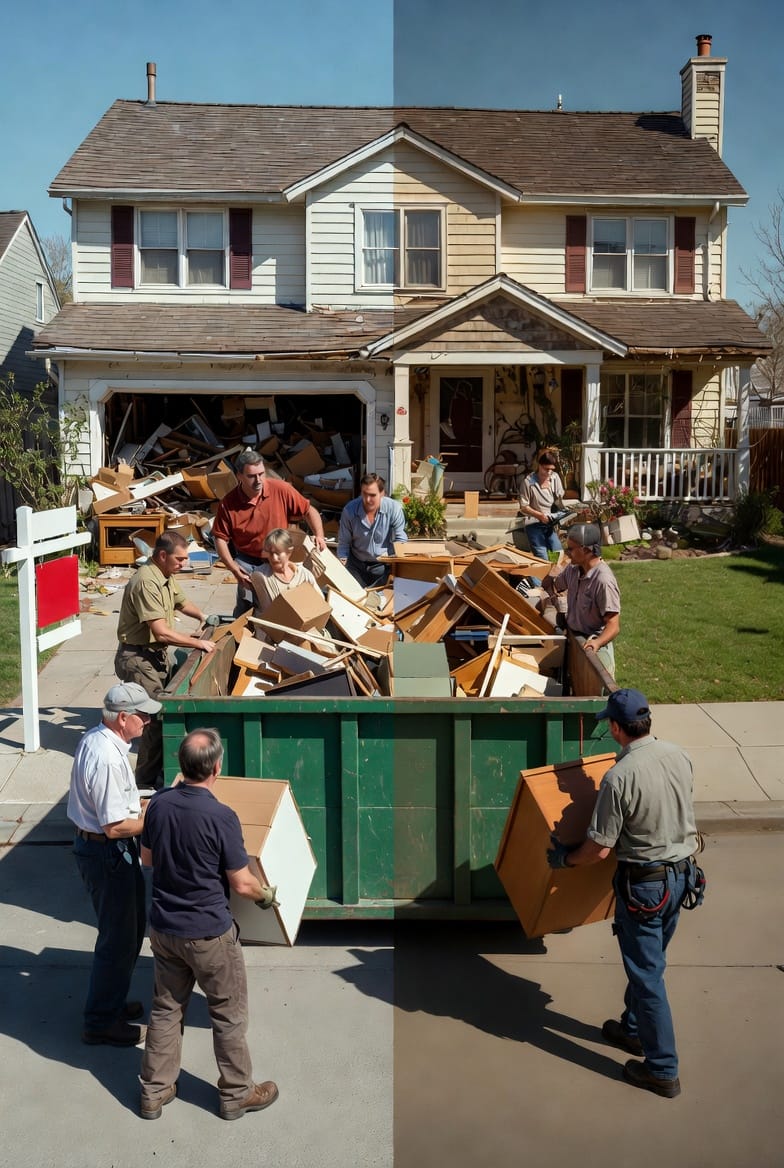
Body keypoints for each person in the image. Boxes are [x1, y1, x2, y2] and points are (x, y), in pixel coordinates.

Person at [547, 688, 703, 1099]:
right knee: (650, 964)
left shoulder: (619, 778)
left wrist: (564, 860)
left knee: (648, 977)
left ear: (616, 727)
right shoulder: (678, 754)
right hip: (684, 875)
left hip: (646, 886)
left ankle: (663, 1070)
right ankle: (633, 1030)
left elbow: (599, 848)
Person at [139, 727, 279, 1122]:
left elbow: (147, 862)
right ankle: (236, 1094)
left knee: (166, 1011)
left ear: (182, 767)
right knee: (227, 1014)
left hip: (165, 930)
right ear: (217, 768)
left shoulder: (159, 806)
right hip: (209, 934)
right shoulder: (221, 816)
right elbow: (240, 881)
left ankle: (154, 1091)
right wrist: (265, 895)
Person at [68, 682, 161, 1047]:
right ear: (124, 718)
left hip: (100, 850)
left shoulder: (99, 739)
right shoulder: (107, 758)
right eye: (143, 715)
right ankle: (101, 1021)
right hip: (107, 854)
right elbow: (115, 827)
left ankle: (111, 1003)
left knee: (127, 931)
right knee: (118, 938)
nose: (149, 721)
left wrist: (144, 801)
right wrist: (156, 818)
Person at [115, 530, 216, 790]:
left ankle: (157, 771)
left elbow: (181, 603)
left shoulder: (165, 575)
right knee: (154, 719)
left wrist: (203, 617)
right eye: (180, 559)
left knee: (163, 713)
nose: (185, 564)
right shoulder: (146, 582)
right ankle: (144, 786)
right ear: (162, 555)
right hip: (137, 657)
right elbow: (161, 632)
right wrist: (197, 642)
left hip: (154, 655)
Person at [212, 450, 327, 616]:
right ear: (239, 476)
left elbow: (309, 510)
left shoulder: (281, 489)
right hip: (247, 561)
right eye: (252, 476)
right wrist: (234, 569)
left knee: (284, 604)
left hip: (278, 556)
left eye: (261, 474)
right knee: (247, 607)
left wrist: (319, 535)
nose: (258, 480)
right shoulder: (228, 503)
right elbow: (220, 538)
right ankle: (241, 634)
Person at [543, 521, 621, 675]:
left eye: (571, 549)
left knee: (598, 693)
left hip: (594, 648)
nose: (567, 553)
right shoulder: (573, 570)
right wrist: (551, 584)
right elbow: (555, 584)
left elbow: (613, 625)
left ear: (586, 550)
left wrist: (597, 643)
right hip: (574, 638)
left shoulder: (603, 581)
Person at [337, 473, 407, 587]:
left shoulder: (394, 509)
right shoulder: (350, 510)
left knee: (380, 601)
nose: (367, 499)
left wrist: (397, 567)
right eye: (364, 494)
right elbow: (343, 543)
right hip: (356, 567)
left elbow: (401, 540)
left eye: (372, 495)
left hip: (383, 568)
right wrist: (341, 565)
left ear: (382, 493)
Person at [250, 528, 323, 614]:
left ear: (289, 551)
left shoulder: (304, 574)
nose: (274, 558)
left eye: (278, 553)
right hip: (274, 624)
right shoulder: (261, 575)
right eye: (270, 553)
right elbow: (269, 612)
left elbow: (320, 601)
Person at [518, 450, 566, 561]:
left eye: (551, 469)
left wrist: (561, 513)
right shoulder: (528, 482)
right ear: (539, 466)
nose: (549, 472)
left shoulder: (555, 478)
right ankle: (539, 577)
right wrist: (539, 515)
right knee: (542, 556)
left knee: (558, 553)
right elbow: (524, 507)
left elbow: (559, 499)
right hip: (533, 522)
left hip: (549, 521)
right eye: (546, 469)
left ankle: (554, 577)